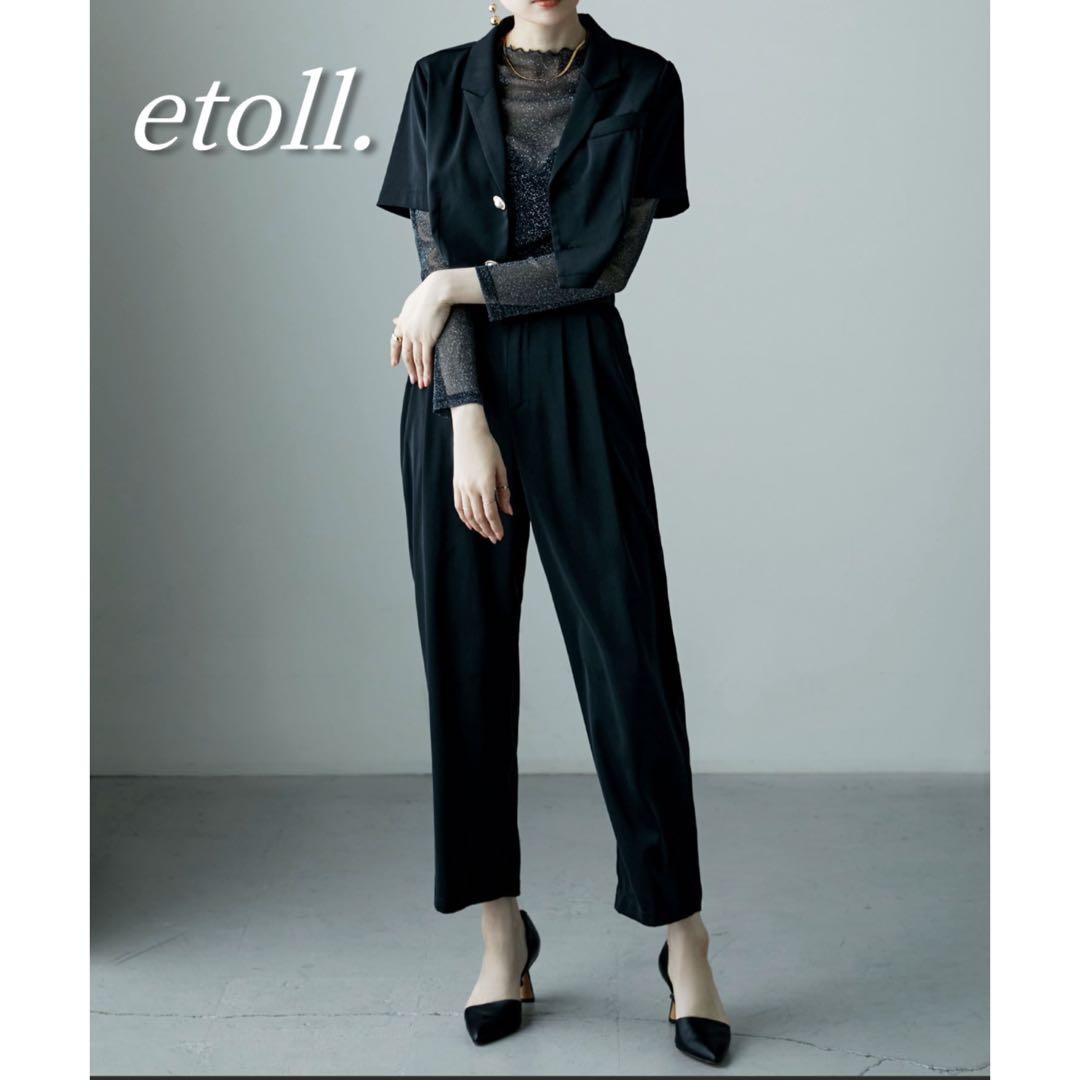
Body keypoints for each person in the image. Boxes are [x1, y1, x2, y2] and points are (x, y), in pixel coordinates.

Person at [377, 1, 731, 1064]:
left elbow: (602, 264)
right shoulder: (438, 82)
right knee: (467, 664)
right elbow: (432, 240)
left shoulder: (643, 81)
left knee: (629, 662)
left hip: (581, 375)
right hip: (458, 399)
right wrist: (467, 421)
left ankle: (684, 940)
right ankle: (501, 938)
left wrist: (455, 285)